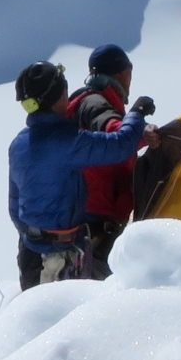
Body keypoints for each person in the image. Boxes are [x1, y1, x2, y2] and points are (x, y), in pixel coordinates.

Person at [8, 60, 151, 287]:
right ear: (61, 95)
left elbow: (15, 206)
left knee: (38, 310)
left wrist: (33, 236)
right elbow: (119, 145)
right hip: (61, 257)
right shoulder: (66, 142)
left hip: (31, 255)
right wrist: (137, 113)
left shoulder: (19, 144)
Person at [70, 45, 141, 277]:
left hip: (84, 220)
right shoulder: (95, 103)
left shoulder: (85, 101)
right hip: (97, 223)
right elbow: (115, 133)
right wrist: (140, 126)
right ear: (120, 74)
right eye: (129, 73)